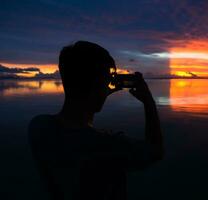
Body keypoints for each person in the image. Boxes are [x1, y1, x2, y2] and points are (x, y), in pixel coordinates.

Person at [28, 41, 164, 200]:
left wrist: (100, 91)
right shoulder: (107, 146)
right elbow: (155, 151)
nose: (109, 84)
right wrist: (149, 102)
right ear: (97, 83)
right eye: (107, 79)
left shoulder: (39, 126)